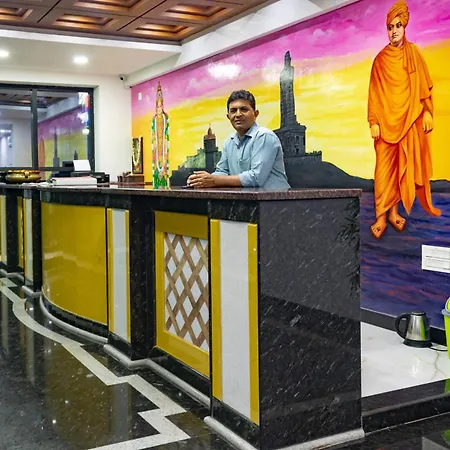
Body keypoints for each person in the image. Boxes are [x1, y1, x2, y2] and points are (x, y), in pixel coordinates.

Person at [368, 1, 441, 239]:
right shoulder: (380, 60)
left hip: (409, 120)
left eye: (398, 26)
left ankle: (393, 213)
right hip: (384, 123)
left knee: (402, 167)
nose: (394, 31)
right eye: (390, 27)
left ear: (404, 26)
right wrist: (373, 121)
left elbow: (424, 88)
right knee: (384, 171)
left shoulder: (414, 54)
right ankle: (380, 217)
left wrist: (427, 112)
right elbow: (374, 93)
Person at [187, 90, 290, 189]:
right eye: (233, 111)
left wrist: (214, 180)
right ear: (228, 116)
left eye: (244, 109)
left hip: (276, 199)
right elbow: (222, 172)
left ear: (255, 114)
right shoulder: (229, 141)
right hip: (246, 198)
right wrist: (200, 180)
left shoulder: (264, 136)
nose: (238, 114)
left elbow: (256, 178)